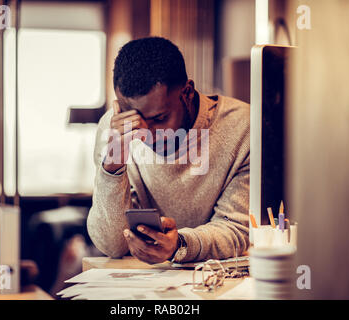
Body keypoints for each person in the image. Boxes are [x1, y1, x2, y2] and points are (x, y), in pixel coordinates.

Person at [87, 37, 250, 264]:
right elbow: (112, 245)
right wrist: (113, 164)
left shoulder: (243, 128)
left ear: (188, 93)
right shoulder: (115, 130)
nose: (145, 133)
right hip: (141, 283)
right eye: (133, 119)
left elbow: (237, 230)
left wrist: (180, 245)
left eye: (159, 119)